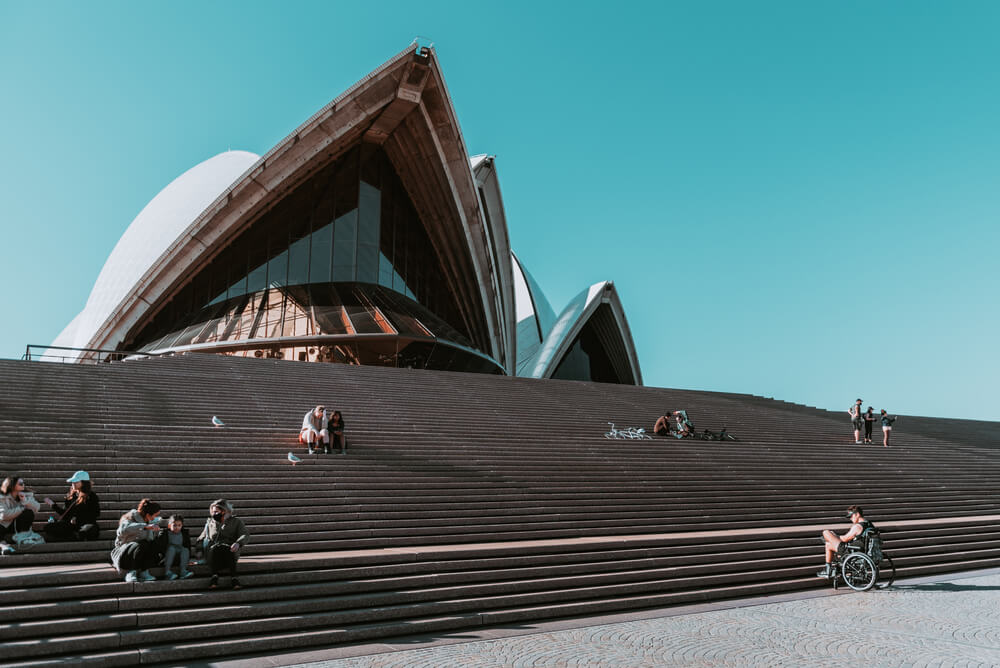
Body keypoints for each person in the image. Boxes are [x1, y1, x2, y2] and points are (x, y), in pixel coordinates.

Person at [198, 499, 249, 590]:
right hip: (213, 553)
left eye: (217, 512)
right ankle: (214, 577)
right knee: (216, 547)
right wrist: (199, 550)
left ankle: (234, 578)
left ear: (225, 511)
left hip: (230, 552)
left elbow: (244, 534)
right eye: (213, 512)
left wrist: (238, 543)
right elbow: (201, 538)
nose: (214, 514)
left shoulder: (236, 522)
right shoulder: (210, 523)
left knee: (225, 547)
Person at [111, 498, 163, 583]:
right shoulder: (131, 516)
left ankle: (144, 571)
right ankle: (131, 572)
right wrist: (144, 526)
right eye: (155, 515)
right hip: (124, 552)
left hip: (139, 552)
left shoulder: (149, 521)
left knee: (153, 543)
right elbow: (122, 530)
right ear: (148, 515)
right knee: (141, 544)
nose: (156, 517)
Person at [817, 505, 875, 578]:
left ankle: (828, 570)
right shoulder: (870, 524)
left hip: (849, 550)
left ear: (857, 514)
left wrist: (835, 536)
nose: (850, 519)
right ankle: (828, 570)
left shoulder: (858, 526)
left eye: (851, 516)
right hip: (861, 550)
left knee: (826, 532)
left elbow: (844, 539)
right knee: (828, 545)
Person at [43, 470, 101, 541]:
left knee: (90, 529)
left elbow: (95, 514)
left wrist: (78, 519)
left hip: (85, 525)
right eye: (73, 482)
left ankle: (75, 536)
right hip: (72, 526)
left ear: (83, 483)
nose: (73, 483)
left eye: (76, 482)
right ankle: (74, 536)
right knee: (48, 527)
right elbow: (65, 514)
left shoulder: (91, 496)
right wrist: (53, 505)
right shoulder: (71, 496)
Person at [1, 475, 41, 552]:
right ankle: (4, 546)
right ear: (12, 485)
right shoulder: (2, 498)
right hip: (5, 525)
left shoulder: (26, 494)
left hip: (19, 525)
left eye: (23, 483)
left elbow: (37, 508)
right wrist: (21, 508)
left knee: (28, 512)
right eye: (20, 483)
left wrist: (25, 501)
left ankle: (23, 536)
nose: (23, 485)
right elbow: (3, 515)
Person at [157, 514, 194, 580]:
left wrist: (188, 559)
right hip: (167, 557)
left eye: (179, 525)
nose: (177, 527)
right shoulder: (164, 533)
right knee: (171, 548)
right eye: (174, 525)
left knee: (185, 549)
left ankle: (183, 571)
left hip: (180, 558)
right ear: (169, 525)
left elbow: (188, 546)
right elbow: (160, 548)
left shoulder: (184, 533)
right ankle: (167, 572)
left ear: (182, 526)